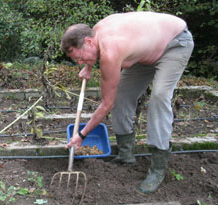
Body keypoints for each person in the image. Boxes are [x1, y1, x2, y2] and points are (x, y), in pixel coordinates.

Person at [62, 11, 194, 194]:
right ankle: (126, 154)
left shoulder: (111, 51)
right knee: (121, 96)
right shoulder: (96, 31)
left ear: (88, 42)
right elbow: (92, 52)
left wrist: (82, 135)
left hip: (175, 43)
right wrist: (88, 65)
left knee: (159, 97)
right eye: (77, 60)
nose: (79, 62)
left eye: (80, 57)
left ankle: (157, 168)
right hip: (146, 52)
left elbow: (106, 104)